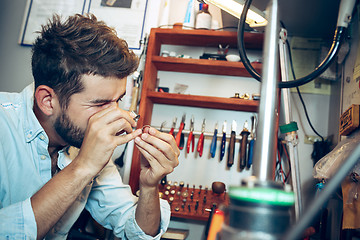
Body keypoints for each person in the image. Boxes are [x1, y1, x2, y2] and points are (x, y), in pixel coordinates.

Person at [0, 13, 179, 239]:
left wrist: (149, 186)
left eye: (118, 100)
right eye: (100, 103)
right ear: (47, 101)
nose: (116, 115)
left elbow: (137, 233)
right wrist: (83, 166)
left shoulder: (82, 141)